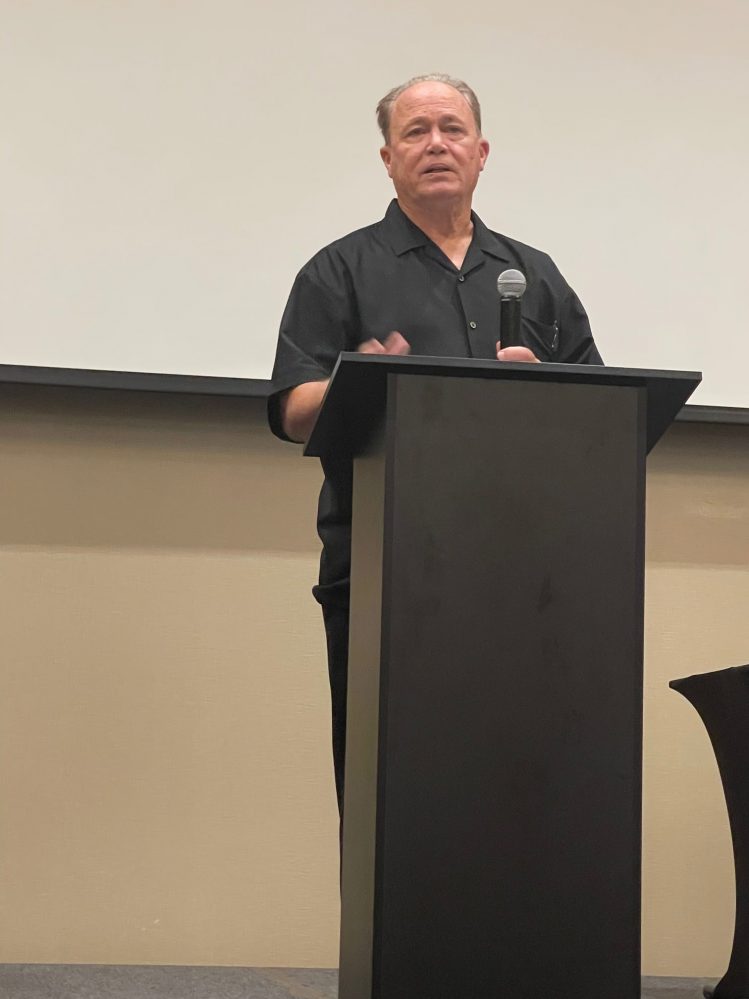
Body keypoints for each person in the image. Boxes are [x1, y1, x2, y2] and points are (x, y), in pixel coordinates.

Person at [268, 73, 603, 822]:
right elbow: (293, 407)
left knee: (518, 796)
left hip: (527, 579)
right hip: (388, 576)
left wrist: (545, 387)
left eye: (451, 129)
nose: (435, 144)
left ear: (481, 152)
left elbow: (601, 409)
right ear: (386, 158)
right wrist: (366, 378)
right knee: (392, 798)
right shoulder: (339, 269)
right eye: (415, 131)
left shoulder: (533, 275)